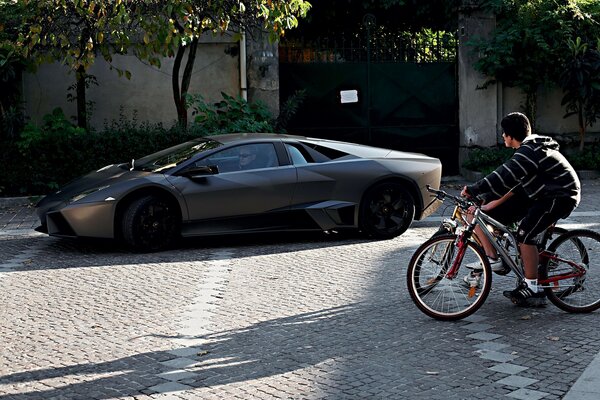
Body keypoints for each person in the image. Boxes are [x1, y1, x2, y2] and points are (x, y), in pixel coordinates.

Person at [461, 112, 581, 307]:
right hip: (542, 192)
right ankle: (500, 259)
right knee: (496, 217)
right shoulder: (529, 149)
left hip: (559, 196)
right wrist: (490, 201)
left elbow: (504, 175)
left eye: (503, 133)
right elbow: (515, 185)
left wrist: (475, 188)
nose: (502, 137)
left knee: (525, 234)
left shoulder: (529, 151)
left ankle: (532, 287)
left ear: (510, 135)